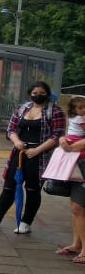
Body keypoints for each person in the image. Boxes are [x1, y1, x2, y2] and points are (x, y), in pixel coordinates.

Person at [0, 80, 66, 235]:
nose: (38, 96)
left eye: (42, 93)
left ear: (47, 94)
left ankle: (26, 222)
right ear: (30, 94)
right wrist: (17, 141)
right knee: (9, 187)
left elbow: (57, 135)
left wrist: (37, 150)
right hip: (19, 153)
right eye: (35, 93)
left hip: (40, 156)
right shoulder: (22, 108)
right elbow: (11, 128)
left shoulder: (55, 111)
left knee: (32, 189)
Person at [54, 95, 85, 260]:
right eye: (79, 108)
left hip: (81, 161)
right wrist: (62, 139)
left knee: (79, 208)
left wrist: (74, 145)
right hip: (74, 162)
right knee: (75, 207)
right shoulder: (75, 118)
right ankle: (76, 244)